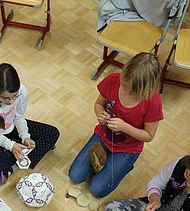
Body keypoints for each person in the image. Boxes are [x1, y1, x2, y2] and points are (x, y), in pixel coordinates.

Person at [69, 52, 163, 198]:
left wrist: (124, 127)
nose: (126, 90)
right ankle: (110, 164)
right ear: (124, 72)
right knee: (75, 175)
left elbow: (148, 135)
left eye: (133, 91)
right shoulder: (113, 79)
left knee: (97, 190)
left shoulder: (153, 101)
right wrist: (100, 114)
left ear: (146, 89)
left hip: (128, 148)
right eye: (124, 85)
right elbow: (99, 104)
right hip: (103, 136)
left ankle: (125, 165)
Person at [0, 63, 60, 185]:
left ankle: (12, 165)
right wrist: (11, 146)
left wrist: (25, 136)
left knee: (53, 132)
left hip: (12, 126)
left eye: (14, 96)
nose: (11, 101)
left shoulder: (22, 91)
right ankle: (23, 155)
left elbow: (19, 117)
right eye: (6, 98)